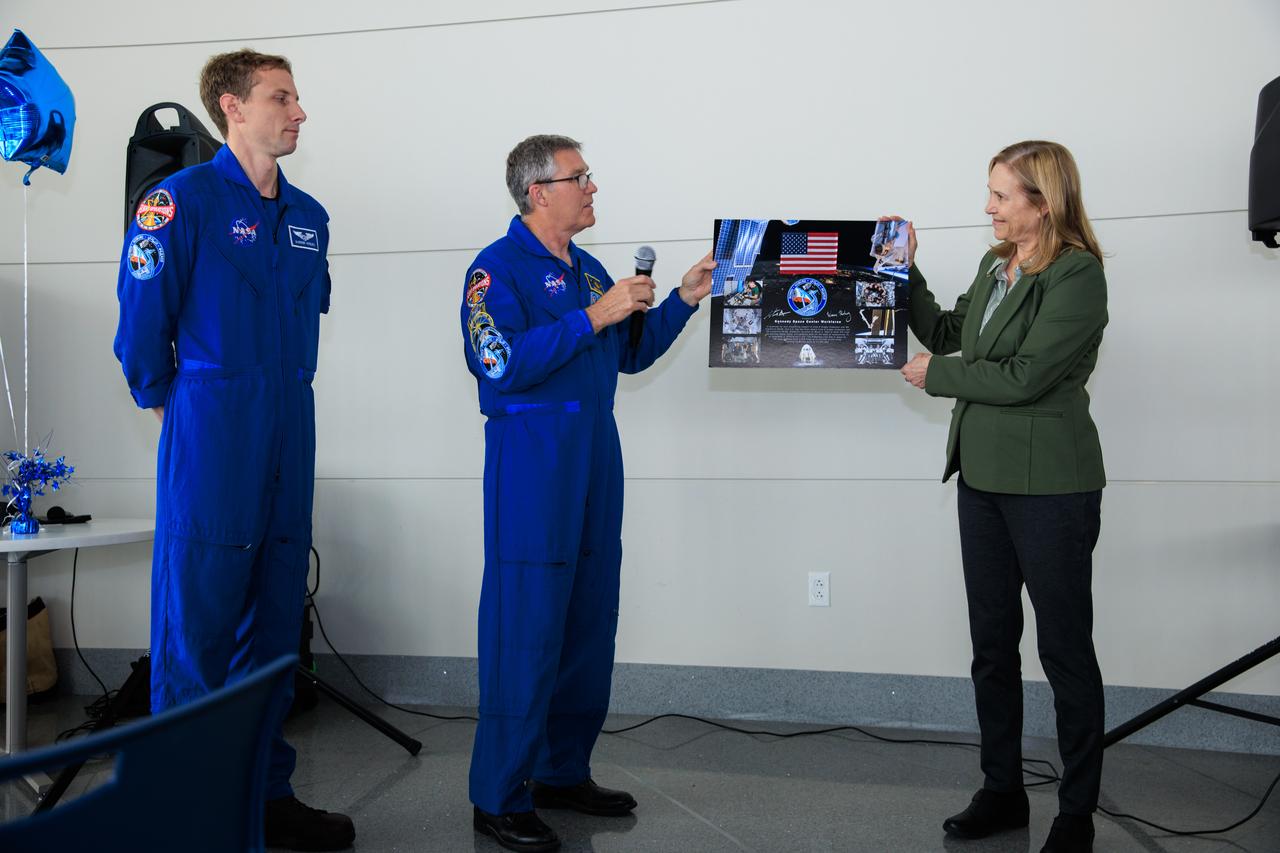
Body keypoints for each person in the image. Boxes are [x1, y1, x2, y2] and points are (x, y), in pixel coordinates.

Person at [113, 49, 353, 851]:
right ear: (232, 106)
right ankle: (184, 802)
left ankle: (266, 790)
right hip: (213, 425)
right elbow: (142, 333)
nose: (298, 111)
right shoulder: (175, 204)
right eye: (281, 97)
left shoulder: (310, 216)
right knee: (199, 625)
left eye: (297, 97)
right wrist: (172, 408)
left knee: (277, 621)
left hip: (291, 424)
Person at [461, 134, 715, 853]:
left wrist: (683, 301)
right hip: (532, 456)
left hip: (595, 453)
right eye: (580, 177)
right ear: (539, 191)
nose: (593, 187)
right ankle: (499, 795)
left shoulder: (589, 269)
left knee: (587, 620)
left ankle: (561, 770)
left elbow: (628, 353)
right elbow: (498, 359)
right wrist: (593, 316)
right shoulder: (495, 270)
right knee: (527, 625)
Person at [895, 139, 1108, 853]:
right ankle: (1002, 790)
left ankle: (1075, 813)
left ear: (1042, 202)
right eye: (989, 193)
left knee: (1064, 650)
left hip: (1051, 486)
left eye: (1000, 195)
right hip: (983, 480)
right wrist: (905, 268)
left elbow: (1024, 376)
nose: (988, 207)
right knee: (992, 646)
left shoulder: (1078, 275)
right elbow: (952, 333)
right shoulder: (996, 265)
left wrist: (938, 376)